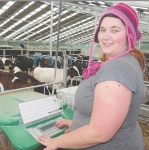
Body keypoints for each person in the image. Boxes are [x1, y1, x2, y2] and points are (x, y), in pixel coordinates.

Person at [38, 2, 145, 150]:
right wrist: (76, 123)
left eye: (115, 30)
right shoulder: (125, 60)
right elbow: (107, 117)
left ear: (129, 35)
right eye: (102, 29)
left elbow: (99, 133)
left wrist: (57, 142)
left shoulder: (117, 69)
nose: (106, 36)